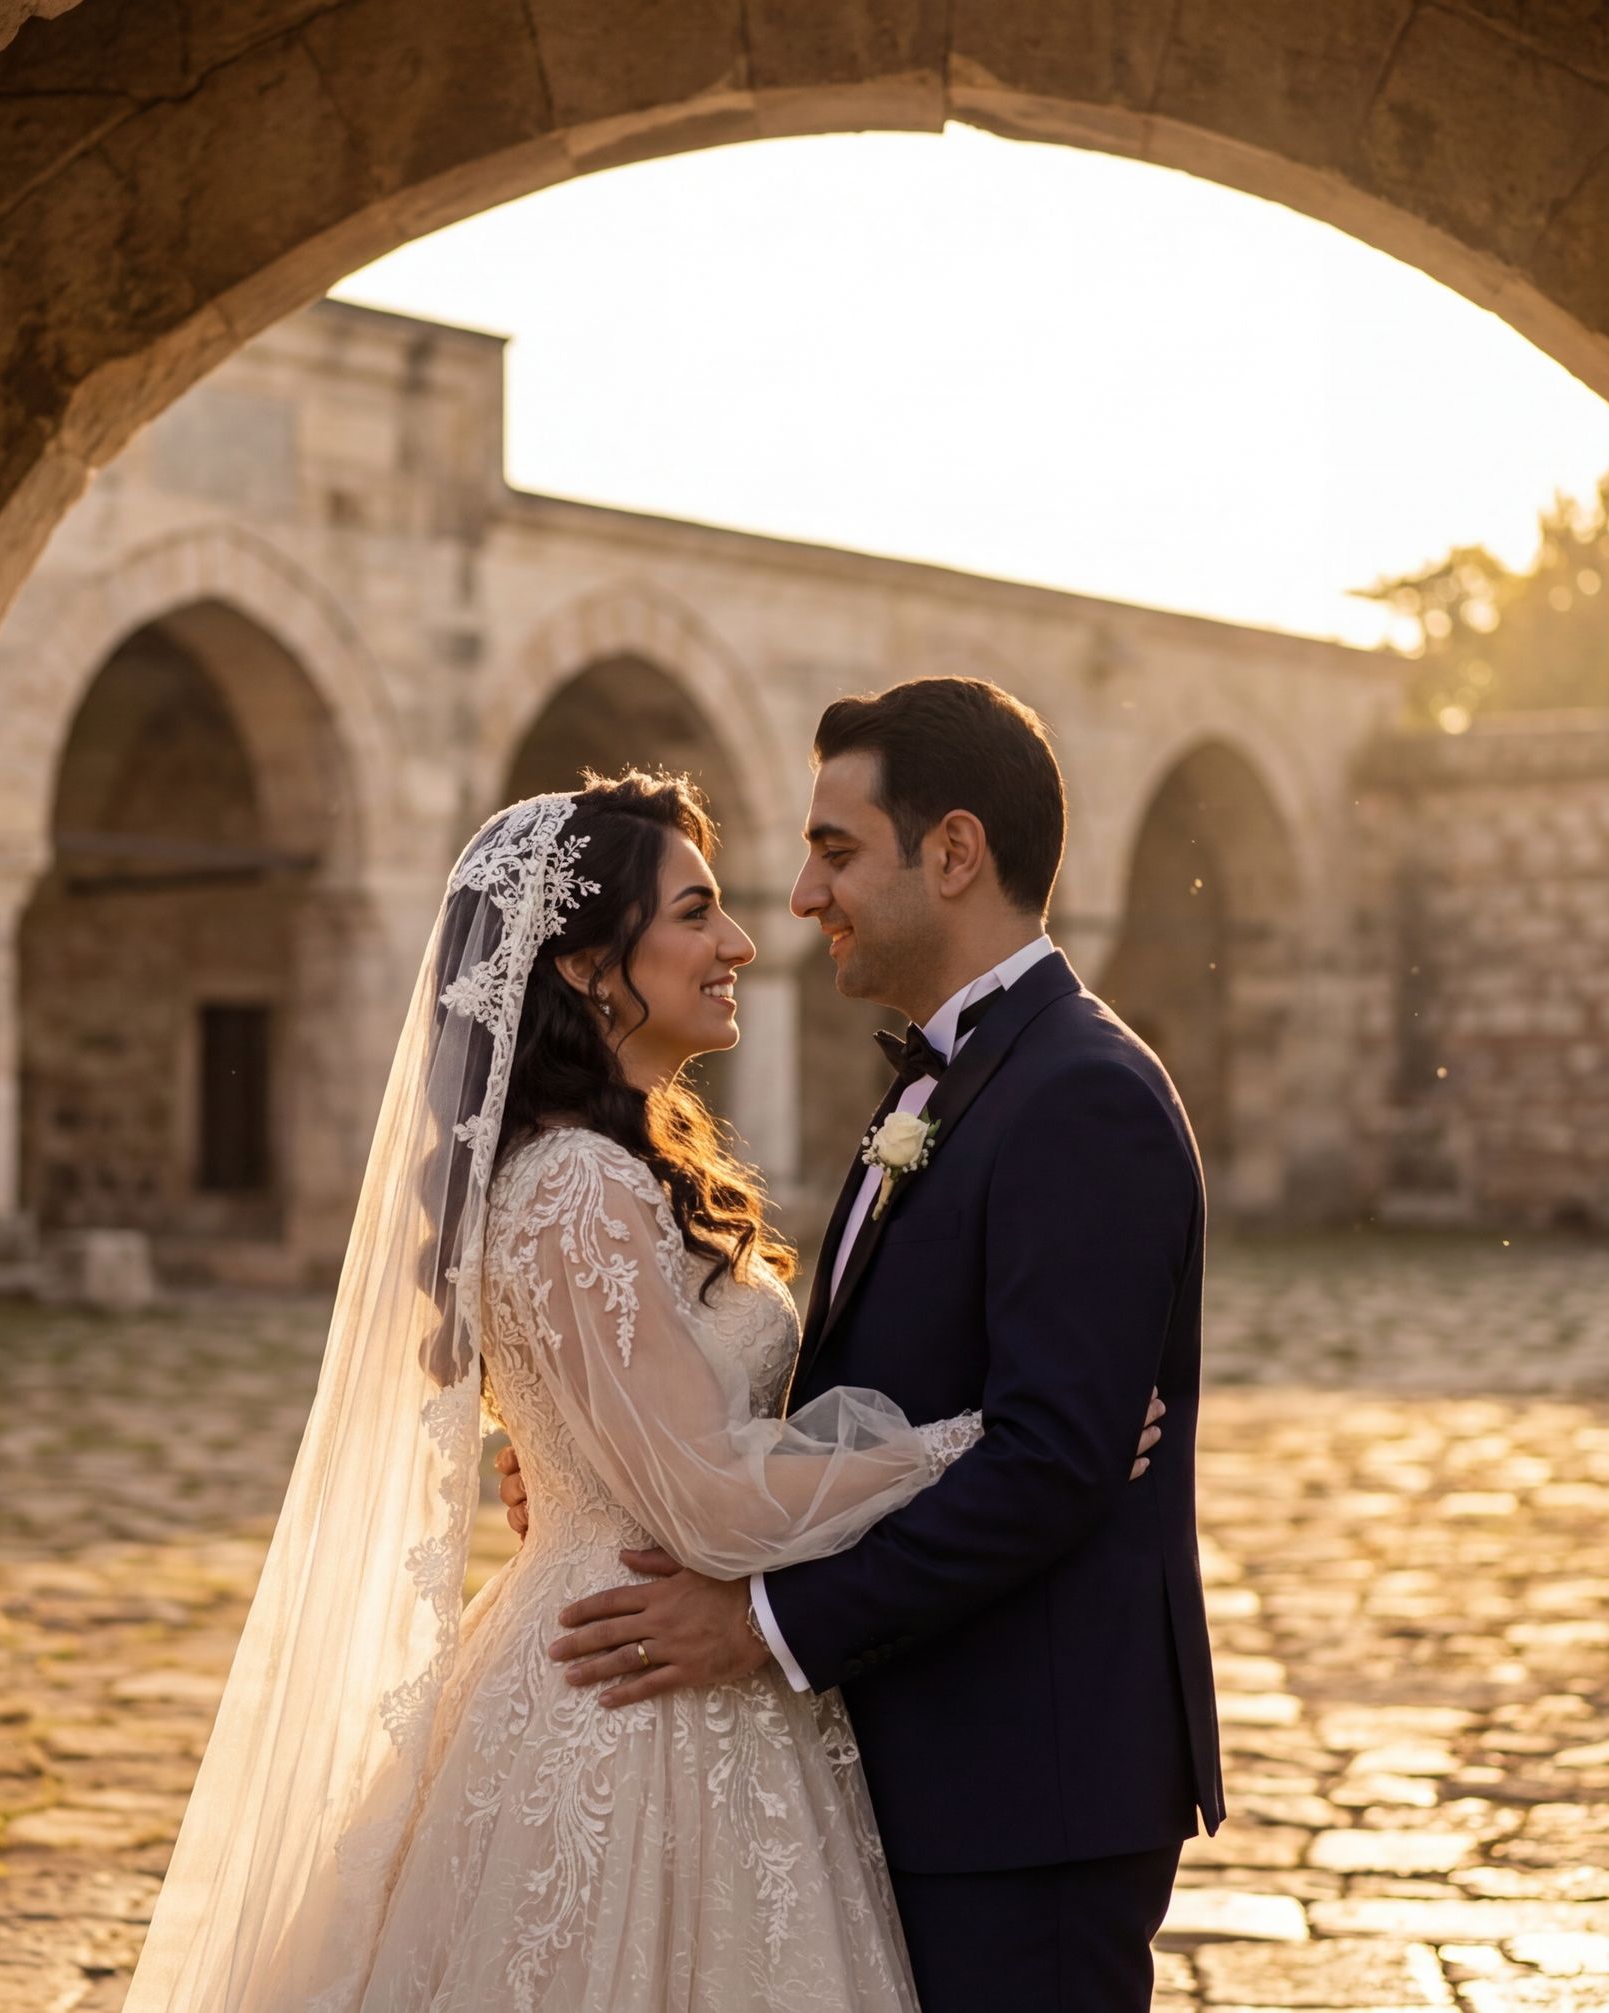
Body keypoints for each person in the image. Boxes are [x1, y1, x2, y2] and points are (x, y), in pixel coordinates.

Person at [124, 769, 1162, 2013]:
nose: (741, 939)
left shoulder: (608, 1166)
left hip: (651, 1649)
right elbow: (718, 1508)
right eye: (694, 912)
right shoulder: (575, 1183)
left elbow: (655, 1427)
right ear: (579, 964)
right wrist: (980, 1442)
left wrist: (588, 1462)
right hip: (634, 1694)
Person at [521, 680, 1223, 2011]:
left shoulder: (1080, 1094)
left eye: (835, 849)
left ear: (952, 852)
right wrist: (597, 1457)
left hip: (1027, 1789)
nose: (795, 898)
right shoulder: (949, 1083)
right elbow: (852, 1399)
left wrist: (764, 1625)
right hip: (920, 1764)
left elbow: (1050, 1462)